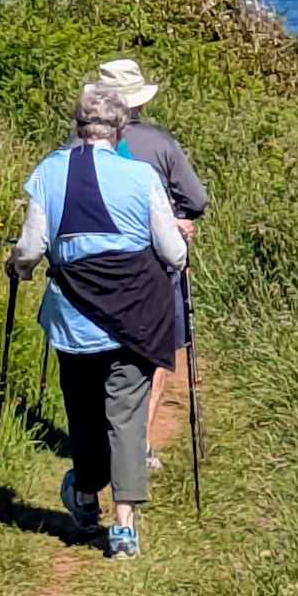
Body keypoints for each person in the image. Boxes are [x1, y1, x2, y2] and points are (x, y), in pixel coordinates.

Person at [7, 84, 187, 560]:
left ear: (77, 126)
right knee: (125, 417)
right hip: (134, 315)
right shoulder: (142, 176)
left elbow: (30, 247)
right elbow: (173, 251)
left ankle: (86, 499)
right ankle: (124, 528)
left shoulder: (49, 171)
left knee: (83, 411)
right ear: (121, 129)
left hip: (74, 314)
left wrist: (19, 269)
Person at [96, 58, 209, 468]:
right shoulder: (161, 145)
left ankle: (104, 437)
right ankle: (139, 445)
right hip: (155, 261)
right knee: (160, 351)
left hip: (95, 265)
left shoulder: (77, 147)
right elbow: (196, 200)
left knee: (103, 348)